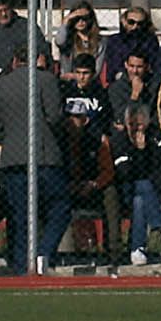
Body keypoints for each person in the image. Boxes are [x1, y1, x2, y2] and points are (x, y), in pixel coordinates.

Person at [0, 49, 68, 273]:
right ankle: (44, 252)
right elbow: (55, 116)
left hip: (14, 158)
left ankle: (20, 265)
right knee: (59, 207)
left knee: (18, 214)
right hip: (45, 155)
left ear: (14, 61)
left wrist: (9, 139)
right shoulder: (46, 80)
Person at [60, 56, 114, 259]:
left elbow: (106, 123)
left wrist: (92, 184)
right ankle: (57, 252)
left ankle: (113, 253)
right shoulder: (65, 91)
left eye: (86, 73)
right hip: (69, 160)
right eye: (79, 72)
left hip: (93, 154)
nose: (82, 77)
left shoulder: (101, 94)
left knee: (111, 194)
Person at [113, 102, 161, 265]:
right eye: (133, 125)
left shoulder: (156, 135)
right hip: (126, 190)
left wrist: (156, 183)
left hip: (153, 191)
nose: (137, 129)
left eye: (140, 125)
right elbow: (125, 173)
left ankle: (137, 249)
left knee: (140, 200)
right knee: (141, 187)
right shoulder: (120, 140)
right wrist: (139, 151)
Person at [99, 6, 161, 87]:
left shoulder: (150, 41)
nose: (135, 26)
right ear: (124, 21)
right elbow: (113, 66)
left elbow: (153, 65)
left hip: (145, 81)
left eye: (140, 23)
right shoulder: (114, 41)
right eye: (131, 22)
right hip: (119, 82)